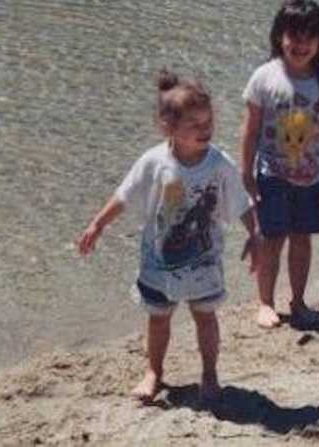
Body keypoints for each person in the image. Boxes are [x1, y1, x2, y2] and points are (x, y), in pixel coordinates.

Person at [77, 69, 259, 403]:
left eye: (209, 123)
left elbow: (240, 201)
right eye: (195, 124)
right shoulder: (154, 161)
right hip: (159, 262)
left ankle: (209, 374)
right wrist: (98, 225)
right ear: (168, 127)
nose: (205, 130)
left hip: (204, 262)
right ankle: (154, 372)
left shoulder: (219, 164)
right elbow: (124, 196)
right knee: (158, 319)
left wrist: (255, 233)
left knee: (205, 318)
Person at [240, 0, 319, 330]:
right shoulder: (264, 77)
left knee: (302, 239)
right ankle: (265, 302)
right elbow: (250, 129)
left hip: (313, 176)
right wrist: (245, 172)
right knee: (271, 238)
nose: (300, 45)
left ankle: (298, 301)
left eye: (308, 38)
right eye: (293, 37)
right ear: (279, 37)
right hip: (272, 174)